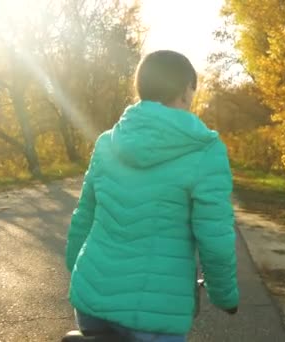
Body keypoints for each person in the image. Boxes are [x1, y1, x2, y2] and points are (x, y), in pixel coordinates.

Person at [65, 50, 239, 342]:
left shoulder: (107, 143)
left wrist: (76, 270)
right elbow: (215, 237)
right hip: (156, 315)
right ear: (186, 91)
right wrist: (224, 296)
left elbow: (84, 215)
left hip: (91, 298)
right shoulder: (205, 150)